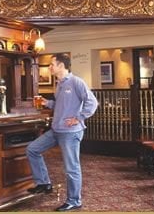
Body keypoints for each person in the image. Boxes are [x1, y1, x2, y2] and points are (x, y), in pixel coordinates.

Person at [26, 53, 98, 212]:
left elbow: (92, 103)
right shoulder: (59, 84)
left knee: (71, 167)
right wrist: (47, 103)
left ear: (61, 66)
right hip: (56, 130)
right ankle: (44, 183)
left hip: (70, 133)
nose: (49, 67)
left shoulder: (76, 82)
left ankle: (74, 200)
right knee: (32, 149)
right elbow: (60, 105)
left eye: (52, 64)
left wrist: (79, 117)